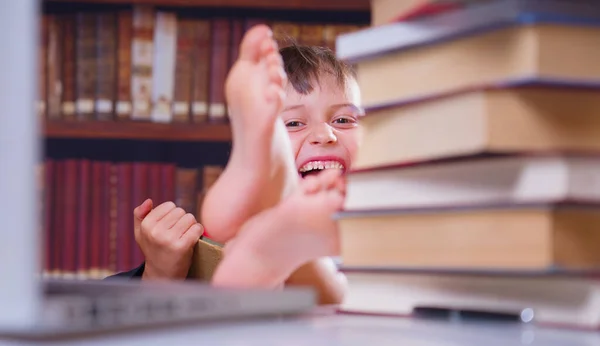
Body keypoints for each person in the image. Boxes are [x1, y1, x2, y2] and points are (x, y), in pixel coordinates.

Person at [109, 25, 363, 304]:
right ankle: (280, 214)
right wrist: (159, 276)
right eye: (293, 123)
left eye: (343, 120)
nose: (325, 135)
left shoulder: (406, 231)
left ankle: (281, 216)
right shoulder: (212, 253)